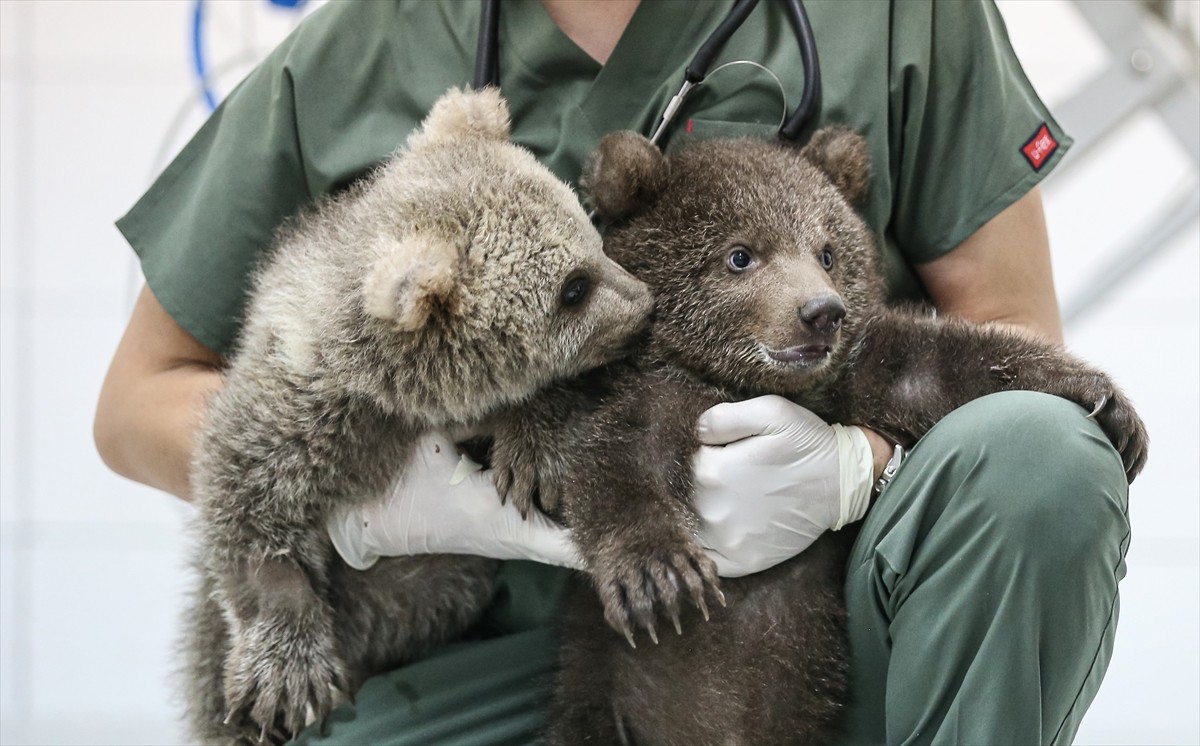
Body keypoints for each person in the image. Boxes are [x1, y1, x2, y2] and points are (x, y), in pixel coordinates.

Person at [93, 1, 1130, 743]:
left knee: (1040, 456)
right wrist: (405, 495)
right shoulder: (362, 49)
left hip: (832, 623)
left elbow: (1006, 330)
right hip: (478, 664)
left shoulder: (906, 14)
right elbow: (139, 398)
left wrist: (858, 464)